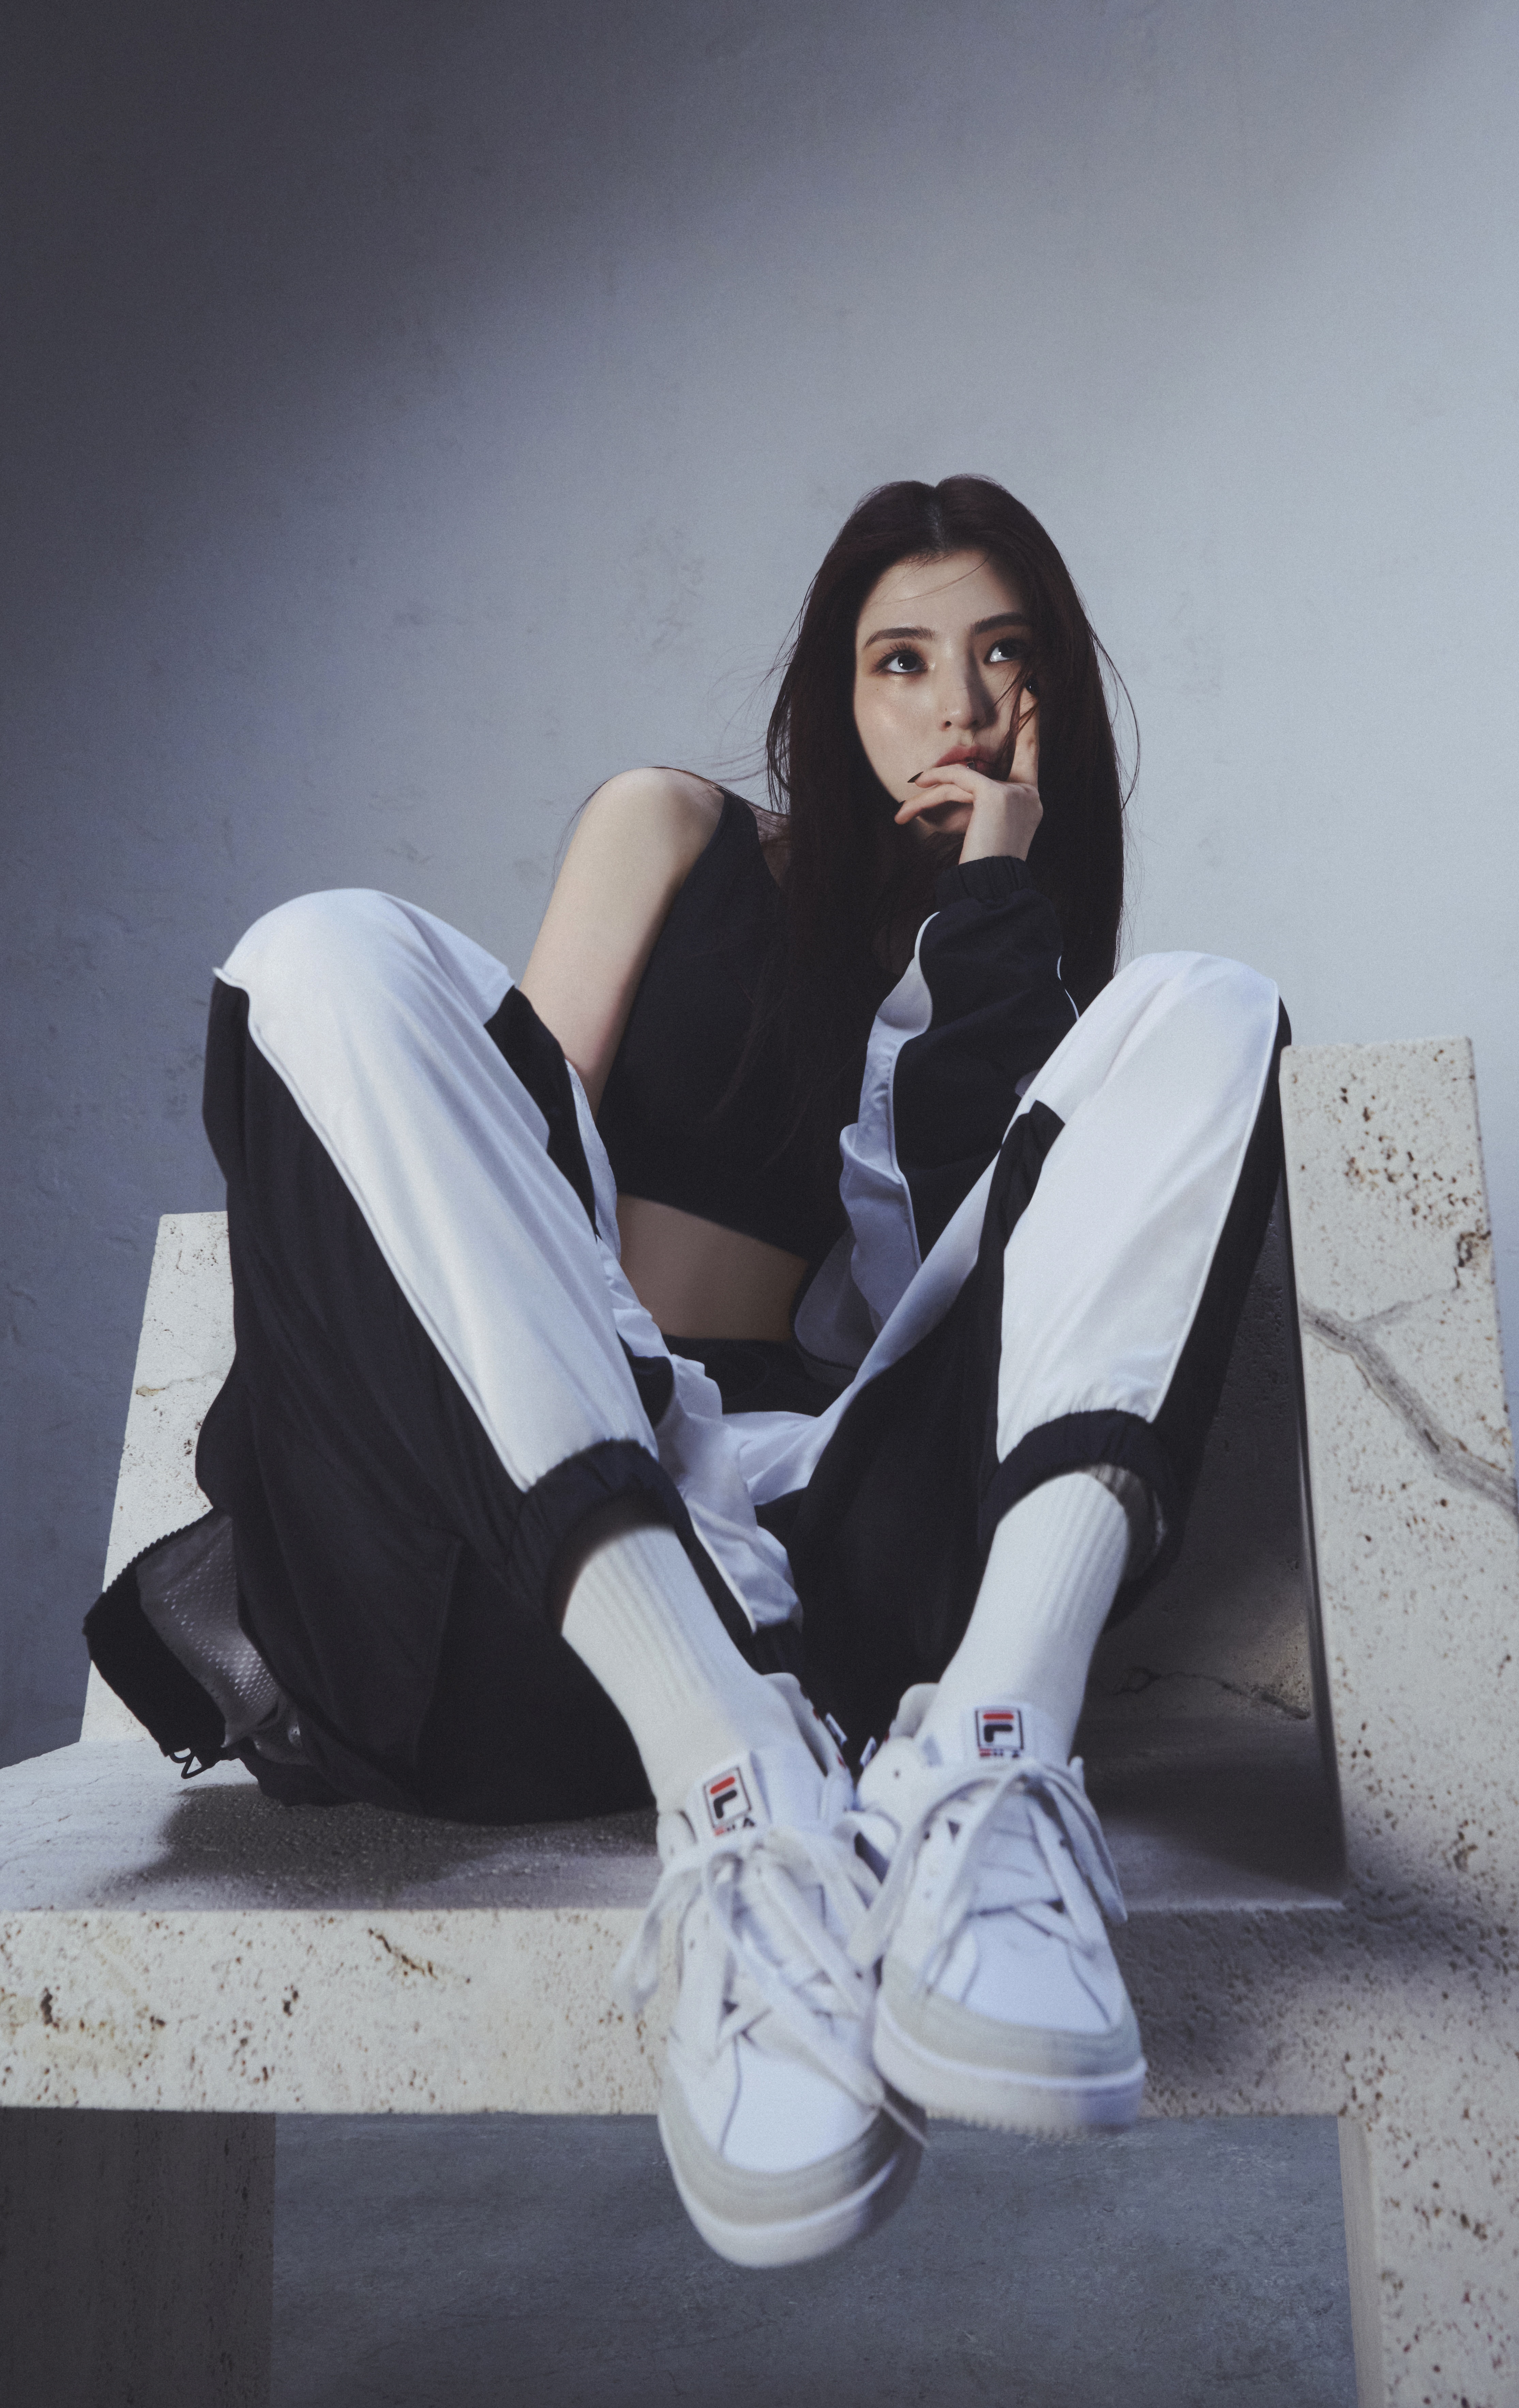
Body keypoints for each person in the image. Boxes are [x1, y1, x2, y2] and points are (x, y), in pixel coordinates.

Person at [86, 477, 1286, 2272]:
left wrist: (994, 897)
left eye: (1003, 660)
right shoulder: (680, 832)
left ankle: (992, 1748)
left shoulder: (1001, 959)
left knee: (1208, 1001)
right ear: (834, 689)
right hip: (555, 1519)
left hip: (841, 1547)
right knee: (321, 953)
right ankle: (731, 1779)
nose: (957, 707)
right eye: (902, 661)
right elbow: (500, 1151)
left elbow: (979, 1287)